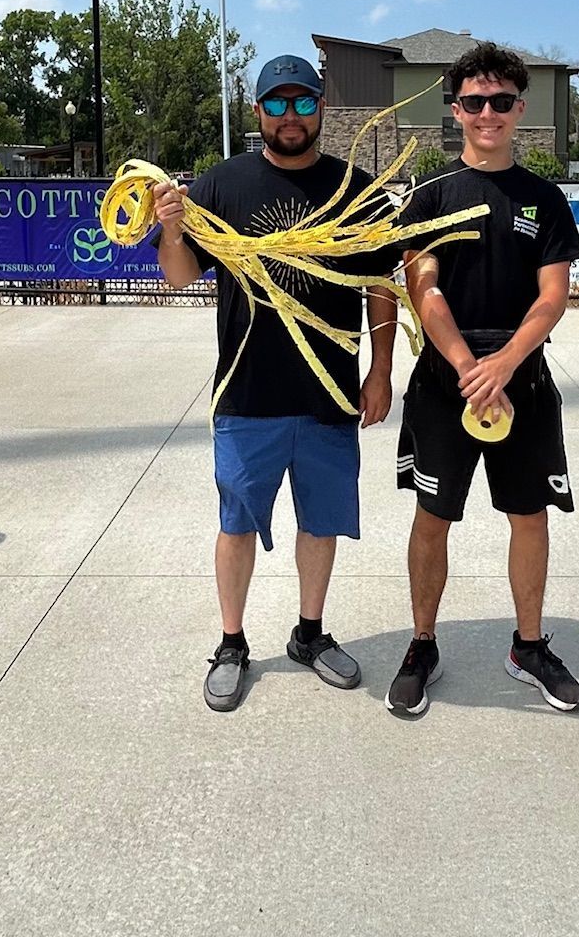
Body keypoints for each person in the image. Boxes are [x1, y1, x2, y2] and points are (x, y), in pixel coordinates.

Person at [153, 55, 396, 713]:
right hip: (248, 395)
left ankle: (310, 634)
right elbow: (179, 274)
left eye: (303, 102)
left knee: (320, 524)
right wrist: (172, 228)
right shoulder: (221, 185)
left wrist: (381, 369)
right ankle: (232, 642)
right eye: (277, 105)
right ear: (257, 111)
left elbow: (379, 286)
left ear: (321, 107)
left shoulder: (357, 189)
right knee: (236, 524)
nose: (291, 117)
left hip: (329, 396)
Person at [386, 41, 579, 716]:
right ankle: (421, 645)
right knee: (431, 517)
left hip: (521, 385)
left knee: (528, 517)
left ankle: (528, 646)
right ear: (456, 110)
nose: (488, 113)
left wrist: (504, 363)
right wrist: (469, 366)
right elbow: (422, 285)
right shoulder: (432, 196)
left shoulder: (543, 198)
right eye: (474, 102)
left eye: (501, 102)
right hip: (449, 386)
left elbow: (553, 296)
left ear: (520, 109)